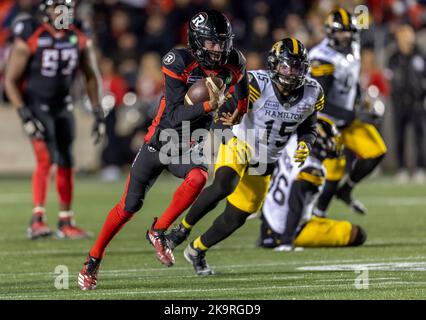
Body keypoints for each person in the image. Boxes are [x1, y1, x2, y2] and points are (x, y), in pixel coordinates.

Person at [78, 10, 249, 290]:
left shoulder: (234, 62)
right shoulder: (179, 60)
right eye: (212, 43)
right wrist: (209, 105)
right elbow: (173, 116)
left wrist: (239, 112)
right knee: (128, 207)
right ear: (196, 41)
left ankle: (158, 230)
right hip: (160, 140)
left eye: (222, 42)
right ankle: (93, 259)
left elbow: (242, 88)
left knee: (199, 177)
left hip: (187, 145)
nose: (219, 50)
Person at [167, 38, 324, 276]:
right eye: (286, 66)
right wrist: (228, 137)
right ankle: (181, 229)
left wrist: (306, 143)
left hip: (266, 159)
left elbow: (309, 128)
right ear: (274, 64)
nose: (291, 73)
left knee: (238, 215)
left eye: (297, 67)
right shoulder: (256, 83)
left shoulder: (312, 93)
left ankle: (197, 249)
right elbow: (222, 114)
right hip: (240, 142)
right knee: (223, 184)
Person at [4, 0, 105, 240]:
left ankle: (66, 221)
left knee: (67, 161)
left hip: (64, 105)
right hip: (37, 106)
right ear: (45, 10)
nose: (63, 13)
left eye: (67, 8)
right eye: (57, 8)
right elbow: (10, 80)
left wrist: (98, 112)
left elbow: (90, 74)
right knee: (46, 158)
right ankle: (37, 220)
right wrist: (24, 113)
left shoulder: (78, 32)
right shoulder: (32, 32)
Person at [309, 8, 387, 216]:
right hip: (325, 120)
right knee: (334, 170)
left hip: (346, 116)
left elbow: (352, 78)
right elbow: (319, 102)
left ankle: (347, 190)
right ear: (329, 32)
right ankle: (319, 213)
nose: (345, 36)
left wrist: (360, 99)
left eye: (348, 31)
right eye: (340, 32)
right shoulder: (321, 57)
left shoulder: (354, 46)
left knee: (376, 151)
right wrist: (353, 115)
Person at [259, 118, 367, 251]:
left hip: (269, 218)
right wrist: (287, 241)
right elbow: (295, 201)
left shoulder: (290, 143)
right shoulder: (313, 169)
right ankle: (283, 239)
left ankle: (273, 236)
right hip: (289, 229)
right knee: (357, 234)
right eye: (329, 139)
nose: (332, 143)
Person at [388, 25, 426, 184]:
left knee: (420, 137)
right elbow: (389, 78)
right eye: (403, 35)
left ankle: (420, 169)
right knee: (399, 137)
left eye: (408, 35)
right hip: (399, 103)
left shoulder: (420, 55)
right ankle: (401, 169)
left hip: (417, 102)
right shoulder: (394, 57)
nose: (406, 38)